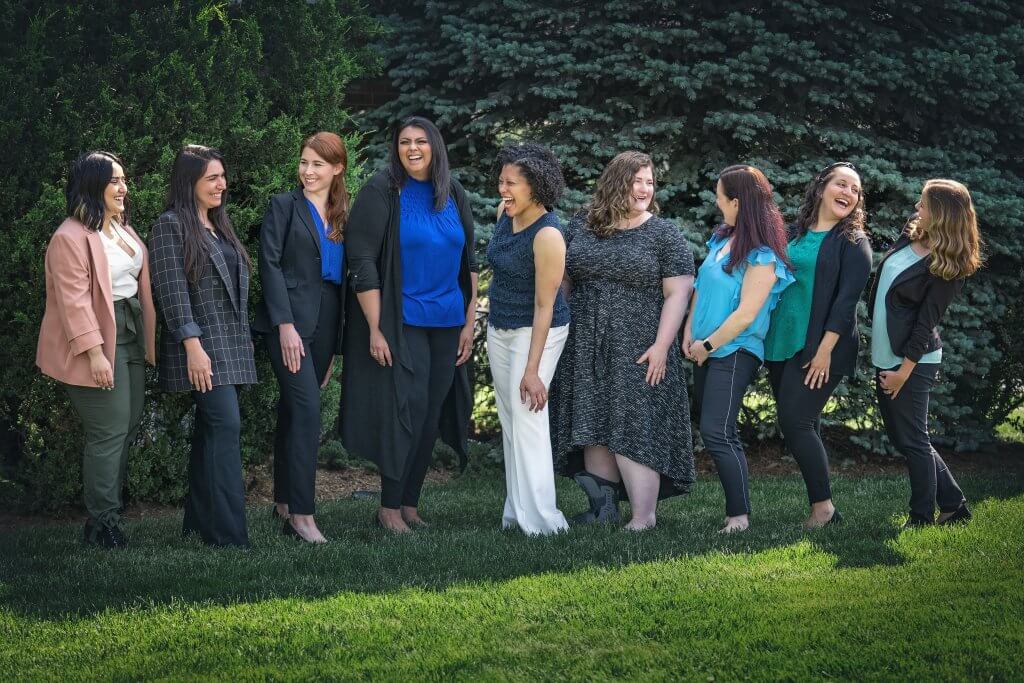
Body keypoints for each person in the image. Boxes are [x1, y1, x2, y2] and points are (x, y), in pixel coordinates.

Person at [341, 117, 478, 533]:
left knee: (430, 411)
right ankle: (388, 507)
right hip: (403, 321)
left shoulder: (452, 192)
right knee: (406, 409)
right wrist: (376, 327)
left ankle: (410, 504)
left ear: (435, 147)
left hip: (448, 321)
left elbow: (468, 260)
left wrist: (469, 323)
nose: (413, 148)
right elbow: (361, 261)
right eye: (405, 142)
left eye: (421, 141)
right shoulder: (382, 191)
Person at [550, 151, 696, 531]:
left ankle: (643, 517)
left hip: (639, 343)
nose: (646, 188)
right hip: (583, 342)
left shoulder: (663, 234)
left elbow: (679, 293)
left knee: (632, 425)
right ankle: (604, 511)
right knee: (593, 422)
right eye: (638, 181)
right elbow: (562, 279)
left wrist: (662, 346)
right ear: (617, 183)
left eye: (650, 182)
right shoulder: (581, 225)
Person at [37, 151, 156, 548]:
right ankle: (101, 523)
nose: (123, 188)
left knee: (129, 423)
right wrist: (94, 353)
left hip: (129, 333)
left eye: (124, 180)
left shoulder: (119, 228)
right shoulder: (68, 237)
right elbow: (73, 303)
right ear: (93, 186)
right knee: (108, 432)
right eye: (114, 181)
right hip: (97, 343)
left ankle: (110, 513)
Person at [149, 145, 256, 548]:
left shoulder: (219, 226)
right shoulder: (169, 225)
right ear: (188, 181)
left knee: (212, 432)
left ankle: (198, 524)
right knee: (225, 427)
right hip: (199, 347)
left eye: (223, 176)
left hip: (230, 347)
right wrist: (192, 344)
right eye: (212, 177)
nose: (222, 184)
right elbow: (171, 291)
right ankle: (229, 536)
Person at [683, 165, 794, 534]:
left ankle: (739, 517)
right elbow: (698, 290)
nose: (717, 202)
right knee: (713, 427)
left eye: (720, 196)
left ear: (737, 201)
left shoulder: (762, 256)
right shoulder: (720, 242)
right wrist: (688, 334)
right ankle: (736, 513)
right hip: (703, 348)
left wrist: (708, 344)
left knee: (717, 431)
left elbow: (747, 314)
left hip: (734, 350)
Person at [763, 162, 872, 528]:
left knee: (796, 421)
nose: (848, 193)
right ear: (822, 187)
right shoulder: (794, 233)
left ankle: (823, 510)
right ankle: (825, 507)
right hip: (782, 343)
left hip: (821, 349)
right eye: (842, 184)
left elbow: (846, 303)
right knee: (800, 423)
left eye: (855, 190)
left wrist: (824, 351)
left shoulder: (853, 243)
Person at [869, 179, 982, 528]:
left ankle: (921, 517)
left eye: (923, 203)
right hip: (887, 352)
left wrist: (904, 370)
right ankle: (953, 505)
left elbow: (925, 323)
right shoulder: (913, 234)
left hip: (913, 361)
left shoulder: (949, 265)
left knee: (914, 441)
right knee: (906, 438)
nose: (917, 208)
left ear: (942, 213)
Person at [253, 132, 349, 544]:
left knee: (295, 411)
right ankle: (303, 517)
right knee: (308, 410)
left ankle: (283, 501)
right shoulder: (283, 206)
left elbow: (345, 279)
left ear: (337, 169)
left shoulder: (343, 211)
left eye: (317, 165)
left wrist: (335, 347)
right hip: (288, 322)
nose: (308, 172)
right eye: (304, 163)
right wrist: (285, 325)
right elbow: (269, 264)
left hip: (327, 320)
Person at [487, 142, 570, 536]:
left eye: (512, 183)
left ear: (535, 185)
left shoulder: (548, 235)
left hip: (537, 330)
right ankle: (515, 514)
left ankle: (544, 523)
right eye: (501, 180)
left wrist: (533, 370)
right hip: (500, 327)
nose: (503, 189)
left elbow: (545, 306)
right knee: (511, 420)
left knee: (528, 417)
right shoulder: (506, 214)